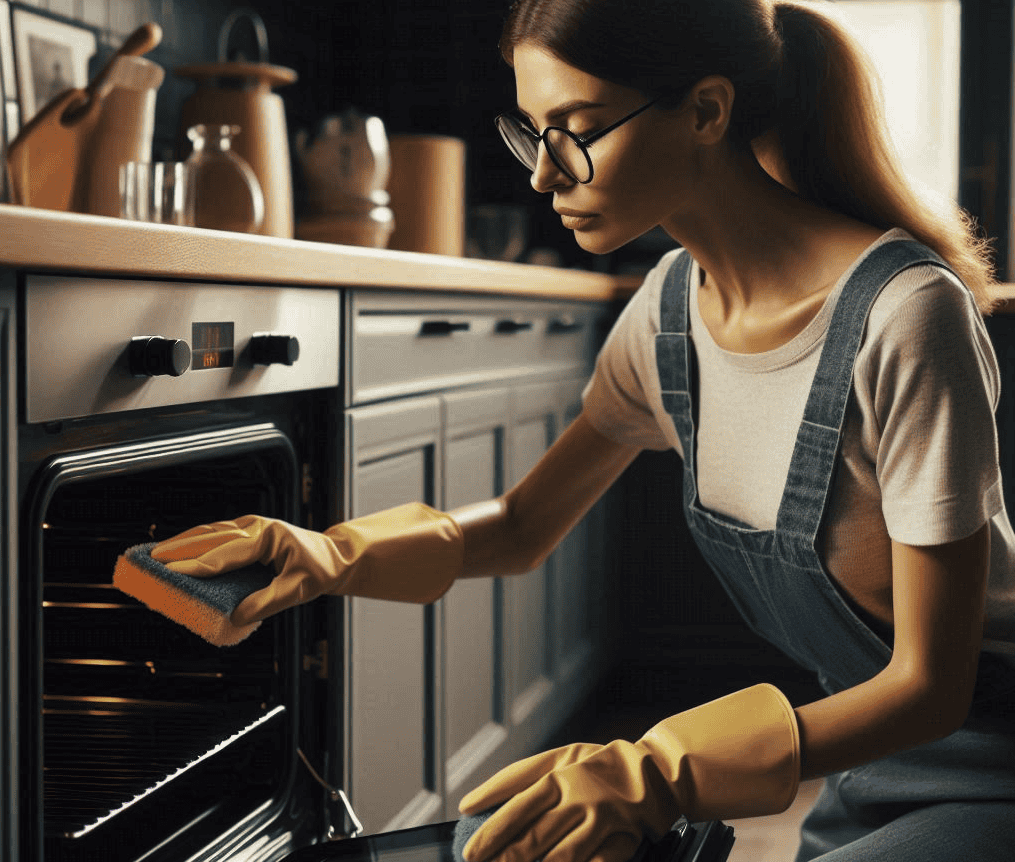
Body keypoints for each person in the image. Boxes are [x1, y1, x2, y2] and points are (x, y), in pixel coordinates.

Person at [150, 1, 1015, 859]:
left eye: (578, 129)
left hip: (992, 765)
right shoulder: (669, 312)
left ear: (706, 111)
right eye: (532, 131)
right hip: (865, 770)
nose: (542, 175)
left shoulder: (904, 317)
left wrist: (660, 773)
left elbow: (932, 690)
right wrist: (329, 556)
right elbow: (526, 524)